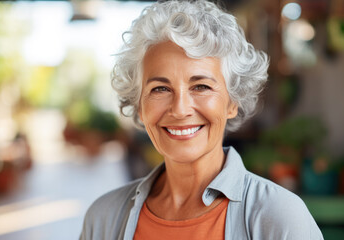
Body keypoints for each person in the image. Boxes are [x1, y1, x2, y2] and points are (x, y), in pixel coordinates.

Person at [80, 1, 323, 239]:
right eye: (160, 89)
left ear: (232, 102)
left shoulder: (280, 218)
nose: (180, 109)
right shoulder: (103, 218)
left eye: (201, 86)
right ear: (139, 106)